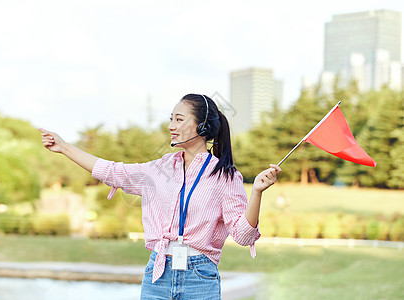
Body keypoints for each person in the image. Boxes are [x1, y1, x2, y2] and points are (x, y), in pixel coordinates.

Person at [39, 94, 281, 299]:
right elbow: (113, 171)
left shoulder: (225, 176)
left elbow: (243, 234)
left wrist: (256, 193)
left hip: (201, 277)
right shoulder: (160, 169)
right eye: (171, 119)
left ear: (202, 127)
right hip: (158, 273)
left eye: (179, 119)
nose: (171, 126)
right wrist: (64, 147)